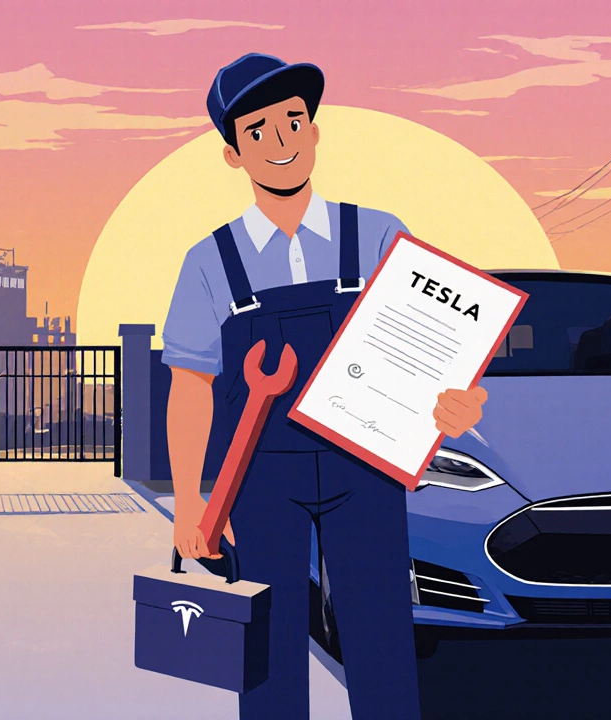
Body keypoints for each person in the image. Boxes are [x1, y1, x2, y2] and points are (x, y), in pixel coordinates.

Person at [162, 52, 489, 720]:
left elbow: (436, 355)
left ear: (315, 130)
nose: (281, 142)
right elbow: (191, 384)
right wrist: (190, 503)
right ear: (233, 154)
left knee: (380, 631)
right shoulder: (209, 263)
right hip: (257, 475)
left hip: (363, 464)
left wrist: (457, 404)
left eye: (293, 121)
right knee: (268, 639)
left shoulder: (376, 236)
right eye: (258, 131)